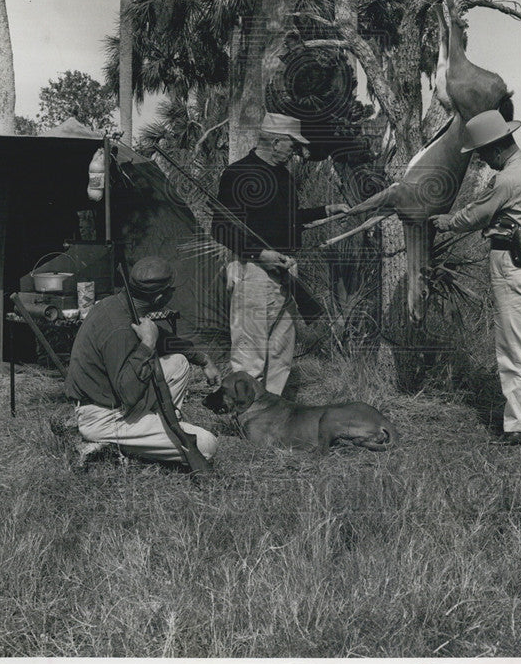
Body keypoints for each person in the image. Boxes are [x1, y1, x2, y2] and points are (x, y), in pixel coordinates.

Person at [433, 109, 521, 446]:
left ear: (496, 147)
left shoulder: (508, 178)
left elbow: (478, 213)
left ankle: (520, 428)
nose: (483, 160)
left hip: (514, 264)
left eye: (483, 153)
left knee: (514, 351)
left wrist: (448, 222)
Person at [212, 112, 348, 395]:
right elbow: (221, 228)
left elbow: (287, 219)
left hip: (285, 271)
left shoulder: (282, 176)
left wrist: (326, 210)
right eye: (292, 145)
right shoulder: (238, 173)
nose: (296, 151)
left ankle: (271, 414)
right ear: (275, 142)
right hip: (254, 272)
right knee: (250, 353)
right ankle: (245, 418)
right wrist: (261, 254)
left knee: (281, 353)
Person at [64, 255, 221, 465]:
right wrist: (147, 344)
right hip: (104, 416)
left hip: (113, 401)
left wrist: (203, 359)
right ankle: (118, 444)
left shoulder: (119, 304)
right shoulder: (120, 329)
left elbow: (161, 337)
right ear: (159, 298)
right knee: (207, 445)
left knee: (179, 362)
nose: (174, 293)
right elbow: (128, 393)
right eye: (172, 290)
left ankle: (152, 433)